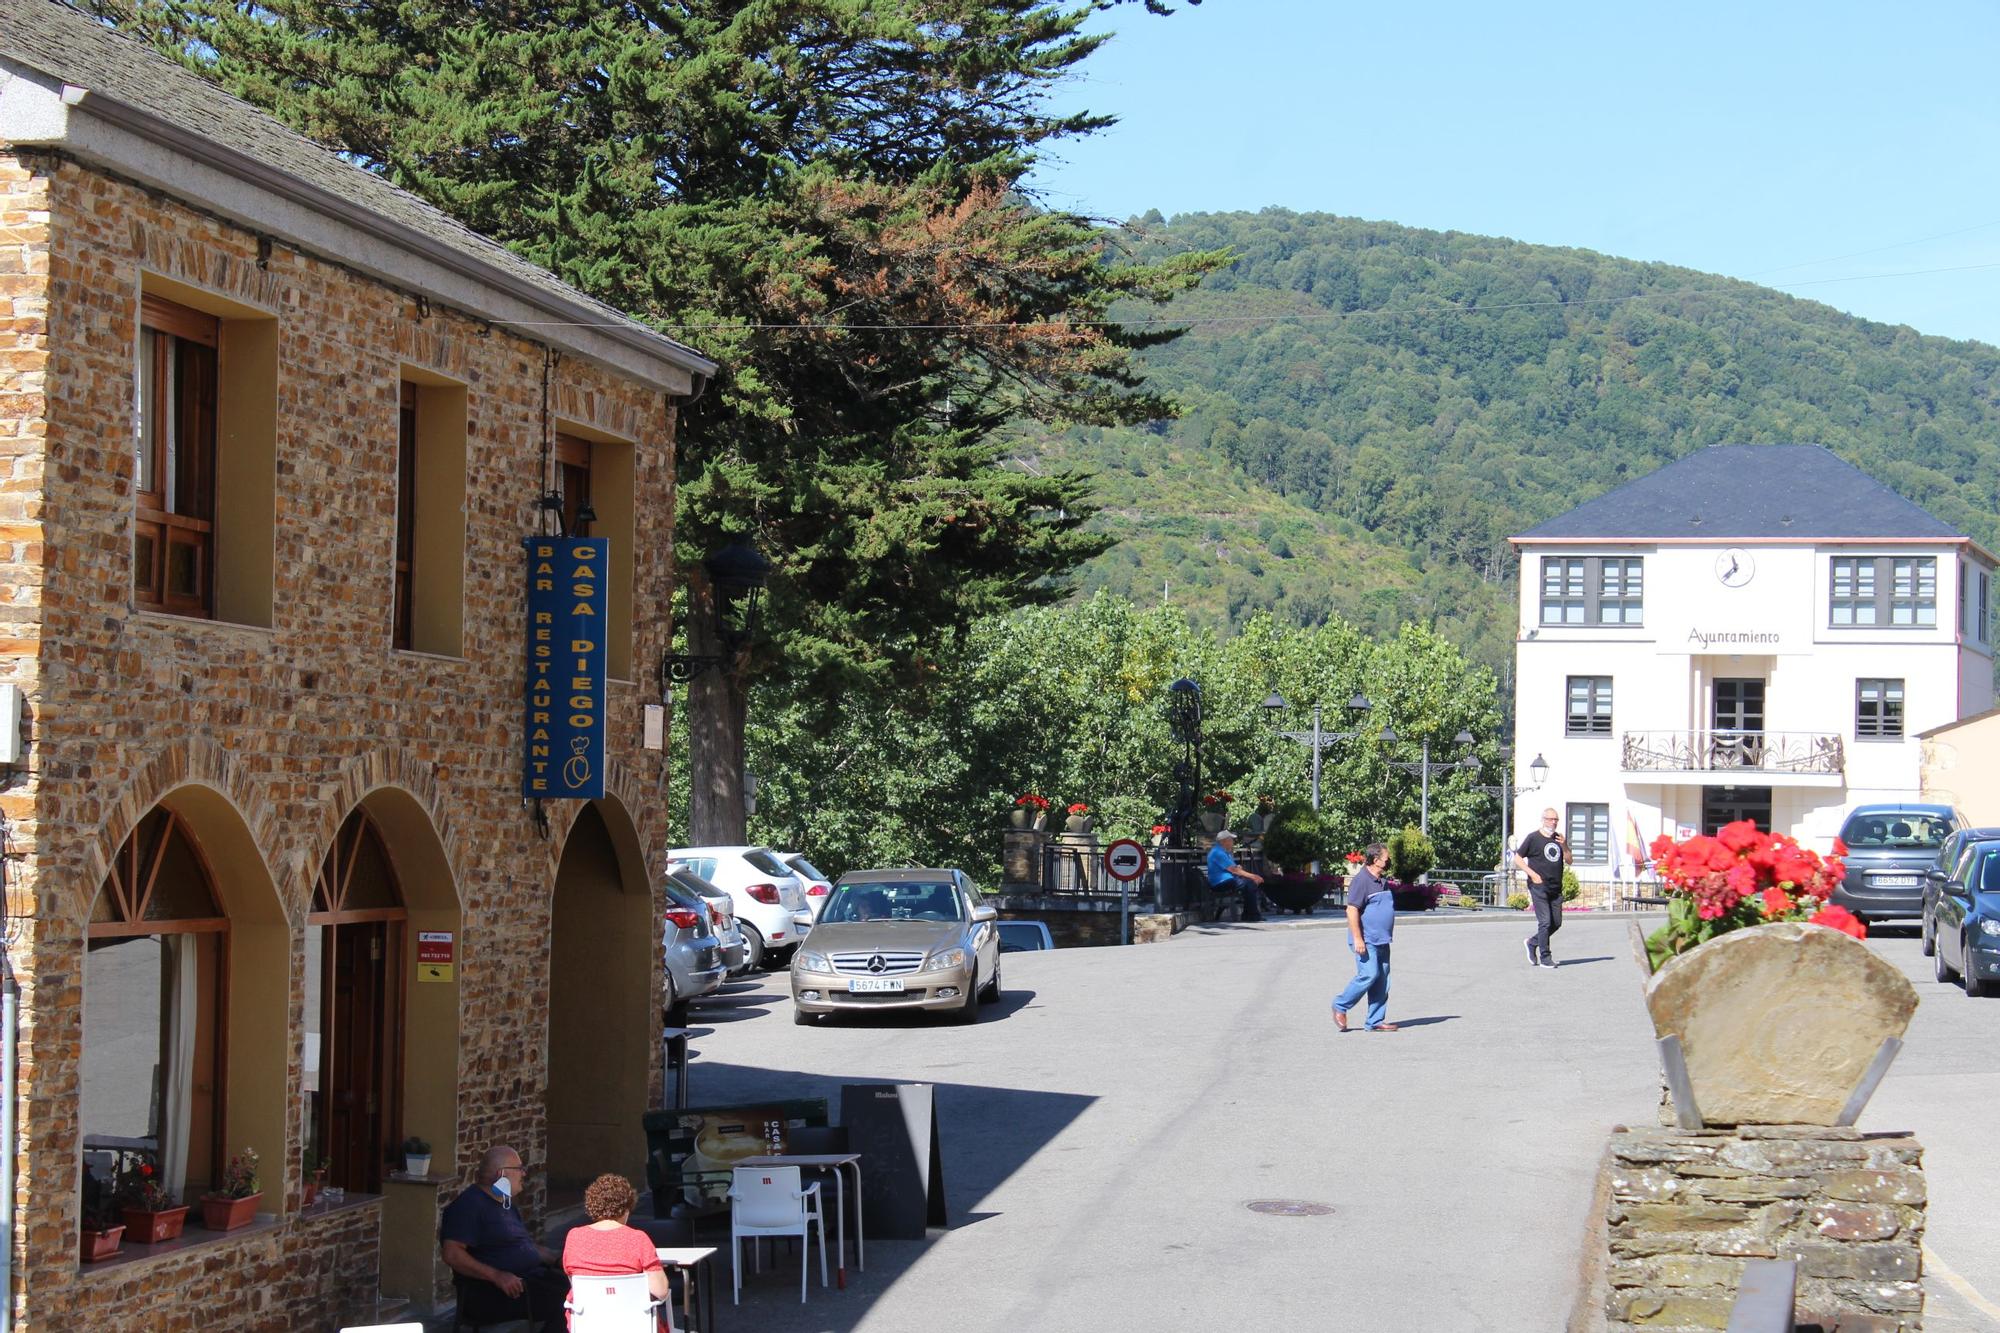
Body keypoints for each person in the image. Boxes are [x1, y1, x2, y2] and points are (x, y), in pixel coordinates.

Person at [441, 1144, 569, 1330]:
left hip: (530, 1281)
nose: (524, 1174)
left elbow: (523, 1246)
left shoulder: (504, 1203)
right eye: (519, 1169)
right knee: (569, 1300)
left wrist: (559, 1260)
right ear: (502, 1174)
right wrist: (497, 1276)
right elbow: (452, 1253)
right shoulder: (469, 1206)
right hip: (493, 1294)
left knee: (580, 1289)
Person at [562, 1173, 672, 1331]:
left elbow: (573, 1279)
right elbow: (660, 1291)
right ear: (626, 1209)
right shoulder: (638, 1239)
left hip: (587, 1325)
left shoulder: (574, 1237)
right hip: (634, 1325)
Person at [1332, 842, 1396, 1032]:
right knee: (1369, 974)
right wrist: (1358, 938)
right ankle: (1340, 1005)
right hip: (1366, 939)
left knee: (1382, 980)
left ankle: (1375, 1021)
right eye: (1387, 858)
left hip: (1382, 938)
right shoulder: (1361, 880)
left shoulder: (1382, 880)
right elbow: (1352, 910)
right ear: (1376, 860)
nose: (1389, 861)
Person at [1514, 807, 1570, 969]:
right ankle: (1545, 957)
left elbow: (1569, 860)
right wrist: (1532, 874)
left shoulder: (1559, 839)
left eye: (1556, 820)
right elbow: (1518, 858)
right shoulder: (1533, 838)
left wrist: (1565, 846)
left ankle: (1532, 942)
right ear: (1543, 819)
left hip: (1555, 887)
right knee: (1545, 922)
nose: (1553, 823)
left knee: (1556, 923)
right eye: (1551, 819)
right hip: (1539, 886)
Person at [1207, 829, 1265, 922]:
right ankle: (1251, 915)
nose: (1232, 842)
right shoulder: (1218, 852)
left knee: (1250, 884)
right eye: (1231, 840)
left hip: (1227, 880)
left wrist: (1240, 870)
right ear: (1223, 841)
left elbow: (1234, 868)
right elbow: (1234, 870)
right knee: (1249, 884)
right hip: (1220, 883)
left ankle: (1250, 915)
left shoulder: (1224, 852)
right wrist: (1253, 876)